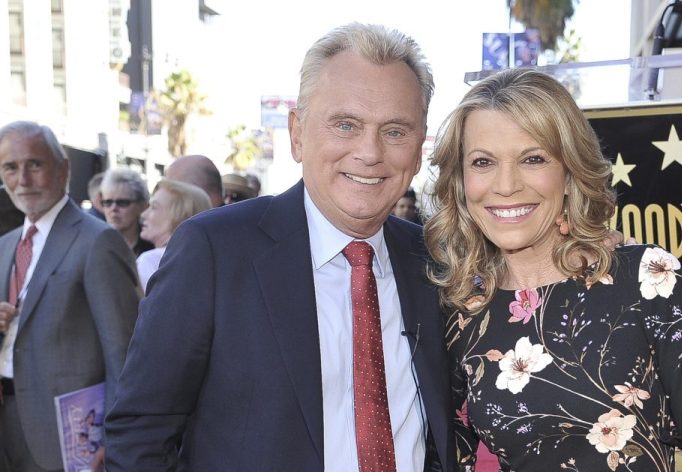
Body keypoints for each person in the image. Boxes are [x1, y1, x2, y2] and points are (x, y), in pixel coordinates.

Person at [104, 23, 454, 471]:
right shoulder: (214, 251)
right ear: (297, 134)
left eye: (395, 131)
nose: (369, 152)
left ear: (420, 148)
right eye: (345, 125)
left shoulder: (433, 260)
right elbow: (140, 433)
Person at [425, 69, 682, 471]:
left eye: (533, 159)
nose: (505, 185)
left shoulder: (647, 278)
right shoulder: (463, 311)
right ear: (461, 180)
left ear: (570, 173)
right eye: (482, 162)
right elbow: (447, 454)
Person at [0, 121, 140, 471]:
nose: (23, 179)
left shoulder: (98, 241)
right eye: (10, 167)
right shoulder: (5, 246)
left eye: (34, 164)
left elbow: (124, 350)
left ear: (63, 169)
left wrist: (114, 436)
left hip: (69, 439)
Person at [136, 178, 212, 291]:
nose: (143, 215)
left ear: (179, 215)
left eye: (154, 207)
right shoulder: (209, 261)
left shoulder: (150, 260)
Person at [101, 168, 154, 257]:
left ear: (142, 206)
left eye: (122, 203)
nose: (113, 209)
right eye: (108, 202)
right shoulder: (96, 244)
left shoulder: (153, 246)